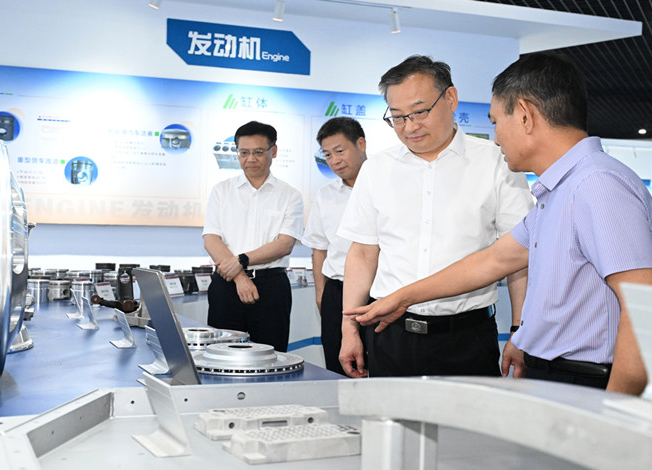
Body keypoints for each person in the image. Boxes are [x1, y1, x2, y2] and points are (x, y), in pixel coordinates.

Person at [345, 52, 652, 395]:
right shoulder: (560, 191)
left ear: (524, 115)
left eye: (496, 122)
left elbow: (646, 307)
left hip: (586, 379)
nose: (495, 138)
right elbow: (494, 260)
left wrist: (614, 411)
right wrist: (402, 298)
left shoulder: (596, 185)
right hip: (555, 373)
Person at [337, 55, 534, 379]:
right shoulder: (377, 169)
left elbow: (518, 257)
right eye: (397, 117)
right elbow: (362, 253)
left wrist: (519, 328)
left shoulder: (496, 162)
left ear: (451, 98)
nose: (409, 127)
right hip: (390, 337)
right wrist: (349, 329)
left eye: (419, 112)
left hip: (467, 338)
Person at [202, 120, 304, 352]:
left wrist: (241, 261)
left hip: (271, 287)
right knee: (221, 356)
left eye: (258, 152)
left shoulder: (290, 195)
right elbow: (211, 239)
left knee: (271, 355)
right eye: (244, 153)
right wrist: (240, 277)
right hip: (226, 285)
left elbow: (284, 244)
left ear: (273, 151)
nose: (250, 159)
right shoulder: (221, 191)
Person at [302, 117, 368, 375]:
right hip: (337, 294)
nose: (334, 160)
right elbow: (319, 249)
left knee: (380, 368)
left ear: (361, 144)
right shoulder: (326, 194)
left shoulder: (386, 186)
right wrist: (321, 296)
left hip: (379, 292)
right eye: (327, 155)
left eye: (340, 151)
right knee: (338, 368)